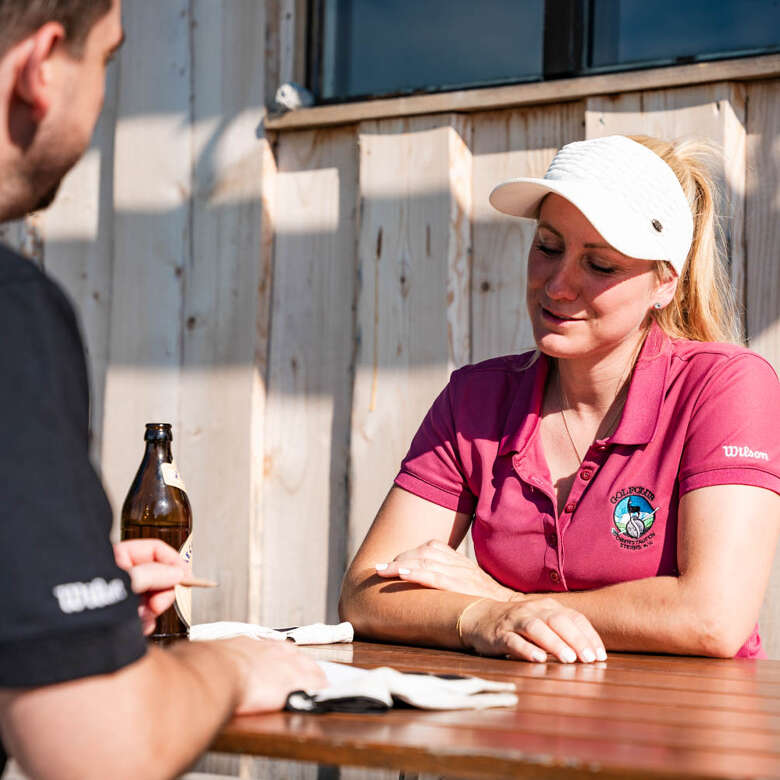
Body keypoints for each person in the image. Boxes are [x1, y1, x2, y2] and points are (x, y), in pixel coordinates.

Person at [0, 2, 325, 778]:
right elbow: (101, 750)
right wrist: (240, 666)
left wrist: (48, 593)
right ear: (43, 66)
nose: (103, 100)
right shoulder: (13, 317)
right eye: (106, 62)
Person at [339, 134, 780, 663]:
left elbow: (714, 618)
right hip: (516, 727)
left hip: (684, 733)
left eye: (600, 266)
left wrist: (506, 600)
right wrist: (482, 617)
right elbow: (364, 593)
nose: (558, 286)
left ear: (665, 284)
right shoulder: (475, 398)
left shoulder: (726, 385)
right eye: (548, 247)